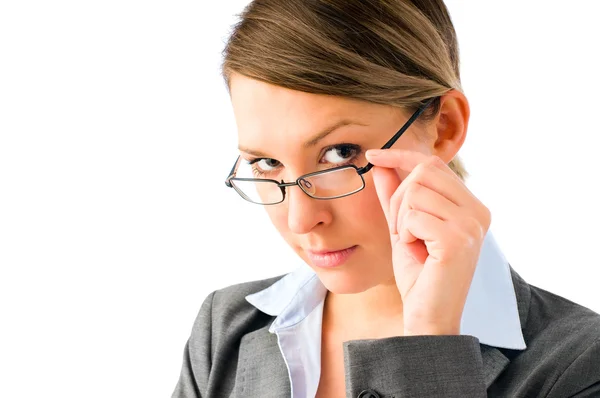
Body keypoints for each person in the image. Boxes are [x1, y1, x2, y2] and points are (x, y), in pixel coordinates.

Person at [173, 1, 600, 397]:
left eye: (340, 153)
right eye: (266, 162)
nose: (301, 220)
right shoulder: (223, 332)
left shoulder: (580, 364)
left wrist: (431, 344)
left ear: (444, 127)